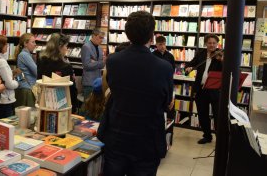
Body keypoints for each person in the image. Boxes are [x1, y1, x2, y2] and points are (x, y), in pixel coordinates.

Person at [101, 11, 173, 176]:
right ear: (152, 37)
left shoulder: (113, 61)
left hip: (117, 135)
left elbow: (113, 90)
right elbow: (166, 103)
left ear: (127, 34)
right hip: (147, 140)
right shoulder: (164, 67)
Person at [185, 34, 223, 144]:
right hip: (201, 89)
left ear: (217, 44)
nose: (212, 45)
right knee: (202, 115)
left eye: (214, 43)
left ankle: (219, 138)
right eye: (209, 43)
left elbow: (228, 70)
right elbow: (190, 64)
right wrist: (188, 68)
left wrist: (222, 60)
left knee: (217, 116)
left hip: (215, 90)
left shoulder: (220, 55)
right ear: (206, 43)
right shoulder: (201, 53)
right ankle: (207, 136)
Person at [37, 33, 78, 113]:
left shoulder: (42, 61)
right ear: (59, 47)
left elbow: (39, 80)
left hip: (44, 103)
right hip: (62, 106)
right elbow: (72, 90)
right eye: (66, 46)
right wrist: (74, 107)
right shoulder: (66, 66)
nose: (67, 49)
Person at [0, 35, 19, 118]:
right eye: (6, 44)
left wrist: (11, 73)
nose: (7, 46)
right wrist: (17, 82)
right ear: (1, 46)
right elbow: (9, 84)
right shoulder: (1, 62)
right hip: (5, 99)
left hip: (1, 98)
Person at [81, 28, 106, 101]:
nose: (101, 40)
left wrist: (95, 62)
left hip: (98, 81)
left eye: (102, 38)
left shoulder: (99, 48)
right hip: (89, 82)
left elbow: (102, 65)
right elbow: (87, 65)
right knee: (87, 106)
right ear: (94, 36)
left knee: (96, 107)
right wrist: (99, 62)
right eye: (100, 37)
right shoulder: (86, 47)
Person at [15, 33, 37, 107]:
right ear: (25, 43)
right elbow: (36, 72)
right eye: (33, 42)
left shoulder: (25, 54)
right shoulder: (24, 55)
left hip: (26, 87)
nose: (35, 44)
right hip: (27, 89)